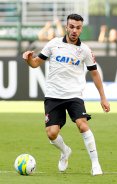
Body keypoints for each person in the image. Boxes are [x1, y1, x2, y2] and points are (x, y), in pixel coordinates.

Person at [22, 14, 110, 176]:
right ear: (67, 26)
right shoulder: (54, 44)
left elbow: (95, 74)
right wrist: (28, 59)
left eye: (78, 27)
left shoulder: (85, 50)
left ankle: (95, 164)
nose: (74, 30)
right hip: (53, 95)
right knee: (52, 133)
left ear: (81, 29)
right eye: (72, 27)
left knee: (82, 124)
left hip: (74, 95)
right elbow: (35, 64)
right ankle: (65, 151)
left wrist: (103, 97)